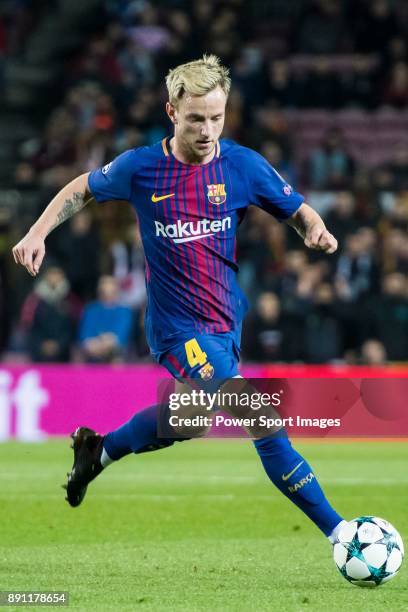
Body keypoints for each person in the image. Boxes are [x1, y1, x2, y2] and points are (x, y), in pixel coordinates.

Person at [12, 55, 347, 544]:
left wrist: (315, 230)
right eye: (195, 119)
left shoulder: (244, 166)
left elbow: (297, 210)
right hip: (177, 329)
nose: (208, 129)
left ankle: (98, 452)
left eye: (216, 117)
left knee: (189, 422)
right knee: (259, 417)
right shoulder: (143, 168)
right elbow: (83, 188)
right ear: (172, 113)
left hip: (226, 324)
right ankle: (342, 535)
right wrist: (38, 231)